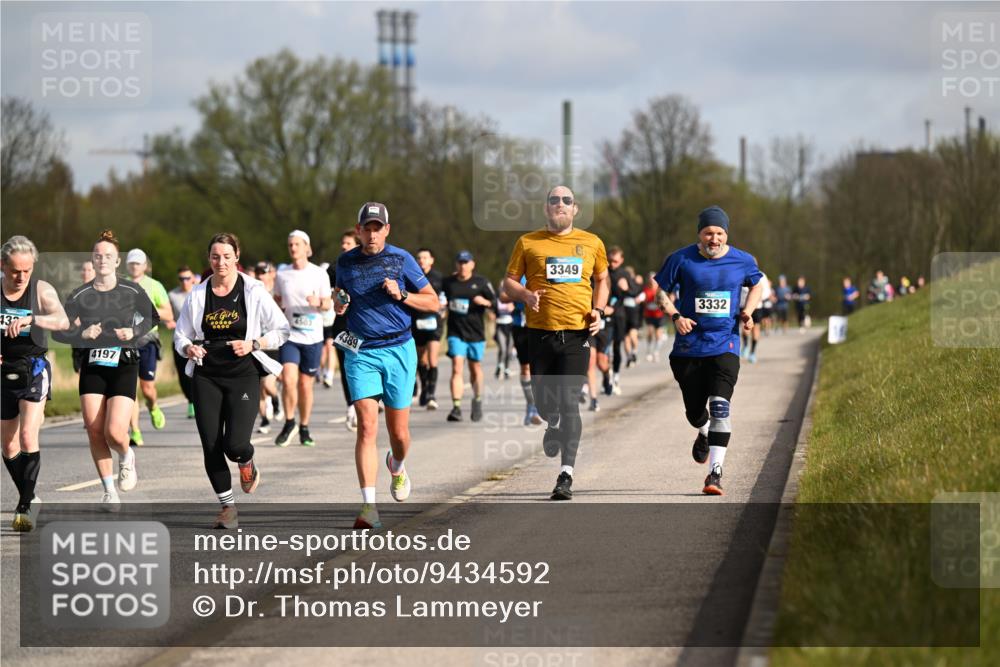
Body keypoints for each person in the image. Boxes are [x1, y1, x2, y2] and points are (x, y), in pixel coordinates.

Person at [333, 202, 441, 530]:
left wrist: (402, 294)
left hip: (399, 349)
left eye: (377, 228)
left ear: (387, 230)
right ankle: (368, 506)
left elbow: (434, 302)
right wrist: (339, 304)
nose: (371, 234)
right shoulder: (345, 263)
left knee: (399, 433)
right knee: (367, 426)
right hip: (360, 351)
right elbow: (339, 302)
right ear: (358, 230)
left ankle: (397, 464)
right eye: (366, 228)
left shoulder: (402, 260)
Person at [174, 233, 290, 529]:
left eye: (227, 256)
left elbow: (281, 330)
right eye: (215, 256)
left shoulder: (253, 290)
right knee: (211, 444)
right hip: (206, 374)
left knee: (235, 444)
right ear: (209, 259)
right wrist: (189, 347)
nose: (221, 262)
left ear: (237, 256)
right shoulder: (199, 293)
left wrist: (254, 344)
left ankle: (246, 460)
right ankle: (228, 508)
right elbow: (180, 334)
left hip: (242, 373)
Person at [503, 185, 609, 501]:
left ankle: (566, 474)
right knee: (545, 402)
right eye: (554, 200)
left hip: (578, 335)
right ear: (546, 208)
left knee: (569, 400)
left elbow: (603, 278)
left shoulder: (592, 243)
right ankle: (552, 422)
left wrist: (599, 310)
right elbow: (508, 282)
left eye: (566, 200)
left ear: (575, 209)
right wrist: (525, 294)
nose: (560, 204)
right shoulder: (527, 242)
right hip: (540, 334)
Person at [653, 206, 762, 496]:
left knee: (720, 406)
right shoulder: (681, 258)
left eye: (719, 233)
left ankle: (715, 473)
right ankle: (702, 431)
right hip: (688, 349)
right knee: (695, 413)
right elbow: (659, 291)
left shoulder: (743, 260)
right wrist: (676, 316)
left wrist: (748, 312)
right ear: (700, 234)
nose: (714, 239)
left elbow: (758, 284)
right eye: (708, 233)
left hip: (725, 344)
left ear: (726, 234)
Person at [55, 230, 158, 507]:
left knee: (114, 432)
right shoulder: (79, 294)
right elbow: (59, 332)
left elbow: (152, 317)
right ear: (92, 259)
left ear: (117, 262)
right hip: (93, 365)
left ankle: (126, 456)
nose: (102, 260)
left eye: (108, 256)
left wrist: (132, 331)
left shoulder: (131, 289)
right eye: (98, 256)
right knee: (93, 429)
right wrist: (81, 335)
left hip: (124, 363)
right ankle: (108, 490)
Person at [1, 236, 70, 531]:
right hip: (4, 370)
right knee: (8, 445)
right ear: (2, 265)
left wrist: (32, 320)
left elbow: (63, 320)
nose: (21, 277)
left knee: (29, 436)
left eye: (27, 270)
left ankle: (25, 507)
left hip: (34, 369)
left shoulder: (40, 289)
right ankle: (29, 494)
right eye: (15, 270)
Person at [272, 230, 333, 447]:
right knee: (289, 380)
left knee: (306, 385)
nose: (293, 248)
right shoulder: (282, 274)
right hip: (290, 335)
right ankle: (290, 423)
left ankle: (304, 426)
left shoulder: (319, 274)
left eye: (297, 244)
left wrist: (318, 301)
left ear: (306, 247)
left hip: (313, 336)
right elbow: (276, 299)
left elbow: (328, 304)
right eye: (290, 245)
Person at [124, 249, 173, 446]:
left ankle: (153, 406)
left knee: (147, 388)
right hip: (125, 341)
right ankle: (135, 431)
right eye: (132, 263)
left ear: (145, 266)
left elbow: (169, 315)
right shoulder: (120, 285)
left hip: (147, 340)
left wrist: (148, 307)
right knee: (128, 389)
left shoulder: (154, 286)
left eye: (138, 263)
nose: (135, 266)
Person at [442, 251, 496, 423]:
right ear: (456, 264)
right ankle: (456, 407)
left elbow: (495, 302)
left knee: (475, 369)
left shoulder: (481, 282)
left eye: (466, 262)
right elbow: (439, 299)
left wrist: (486, 302)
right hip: (455, 332)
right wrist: (441, 308)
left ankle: (477, 398)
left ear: (472, 264)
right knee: (457, 366)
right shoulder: (448, 283)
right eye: (460, 262)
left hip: (476, 333)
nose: (463, 266)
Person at [327, 231, 362, 430]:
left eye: (347, 243)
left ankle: (367, 399)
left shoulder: (366, 265)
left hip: (365, 326)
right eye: (342, 242)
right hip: (343, 326)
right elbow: (328, 291)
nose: (343, 246)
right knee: (348, 366)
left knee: (363, 363)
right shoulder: (334, 267)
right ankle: (351, 406)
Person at [498, 277, 544, 425]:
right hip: (521, 327)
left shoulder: (544, 271)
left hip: (542, 326)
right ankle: (531, 404)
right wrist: (524, 295)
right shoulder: (518, 276)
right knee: (525, 368)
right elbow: (503, 297)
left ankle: (538, 406)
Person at [410, 248, 445, 411]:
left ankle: (431, 395)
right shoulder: (411, 276)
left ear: (432, 260)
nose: (421, 260)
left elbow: (446, 297)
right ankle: (424, 387)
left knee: (432, 359)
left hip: (434, 322)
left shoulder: (439, 278)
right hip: (416, 322)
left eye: (425, 258)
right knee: (420, 360)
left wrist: (443, 306)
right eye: (419, 258)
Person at [606, 247, 638, 394]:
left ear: (621, 260)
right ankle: (606, 378)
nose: (612, 264)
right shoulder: (602, 270)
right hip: (603, 313)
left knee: (616, 347)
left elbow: (636, 291)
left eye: (616, 261)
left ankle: (616, 378)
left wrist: (626, 289)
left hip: (619, 314)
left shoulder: (624, 273)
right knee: (603, 349)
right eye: (610, 261)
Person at [168, 265, 198, 419]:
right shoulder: (172, 295)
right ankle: (191, 402)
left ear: (193, 279)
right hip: (180, 340)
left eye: (187, 278)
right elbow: (167, 314)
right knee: (183, 374)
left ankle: (200, 400)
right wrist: (170, 321)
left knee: (199, 374)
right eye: (181, 279)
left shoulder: (200, 292)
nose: (185, 281)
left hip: (198, 341)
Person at [740, 268, 770, 364]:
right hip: (743, 306)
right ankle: (745, 346)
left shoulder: (762, 275)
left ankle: (752, 352)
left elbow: (766, 291)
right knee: (744, 329)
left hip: (757, 306)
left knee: (756, 328)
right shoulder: (740, 272)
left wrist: (758, 296)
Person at [642, 271, 666, 362]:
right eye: (650, 279)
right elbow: (643, 300)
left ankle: (656, 352)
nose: (652, 281)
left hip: (659, 315)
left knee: (658, 334)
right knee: (650, 333)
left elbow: (665, 300)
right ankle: (648, 351)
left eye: (654, 279)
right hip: (649, 315)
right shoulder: (645, 290)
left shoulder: (660, 289)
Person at [494, 290, 515, 380]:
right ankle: (499, 365)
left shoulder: (513, 300)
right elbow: (491, 310)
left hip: (510, 327)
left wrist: (513, 308)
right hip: (500, 326)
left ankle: (506, 368)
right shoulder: (497, 301)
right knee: (502, 348)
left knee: (509, 350)